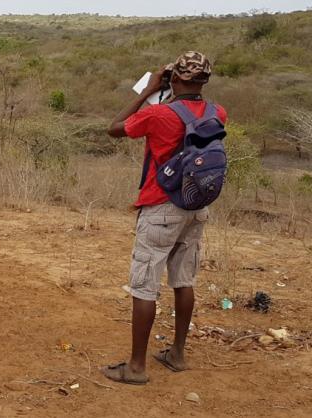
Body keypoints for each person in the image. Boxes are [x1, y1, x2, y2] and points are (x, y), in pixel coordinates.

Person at [101, 51, 227, 385]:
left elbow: (113, 129)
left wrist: (146, 92)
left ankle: (137, 367)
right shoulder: (218, 113)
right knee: (183, 280)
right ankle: (178, 354)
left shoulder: (158, 114)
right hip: (196, 206)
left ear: (176, 78)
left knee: (145, 285)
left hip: (161, 207)